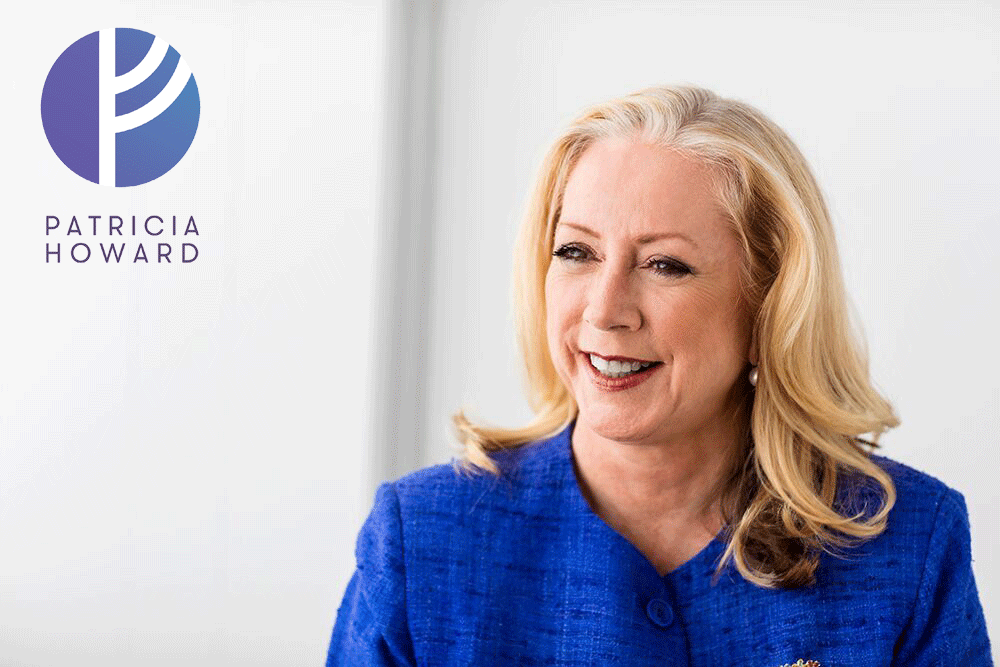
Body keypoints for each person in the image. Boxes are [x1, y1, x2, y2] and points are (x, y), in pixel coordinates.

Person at [324, 84, 993, 666]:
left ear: (768, 307)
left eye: (665, 264)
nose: (604, 310)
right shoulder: (422, 537)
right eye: (576, 251)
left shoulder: (906, 542)